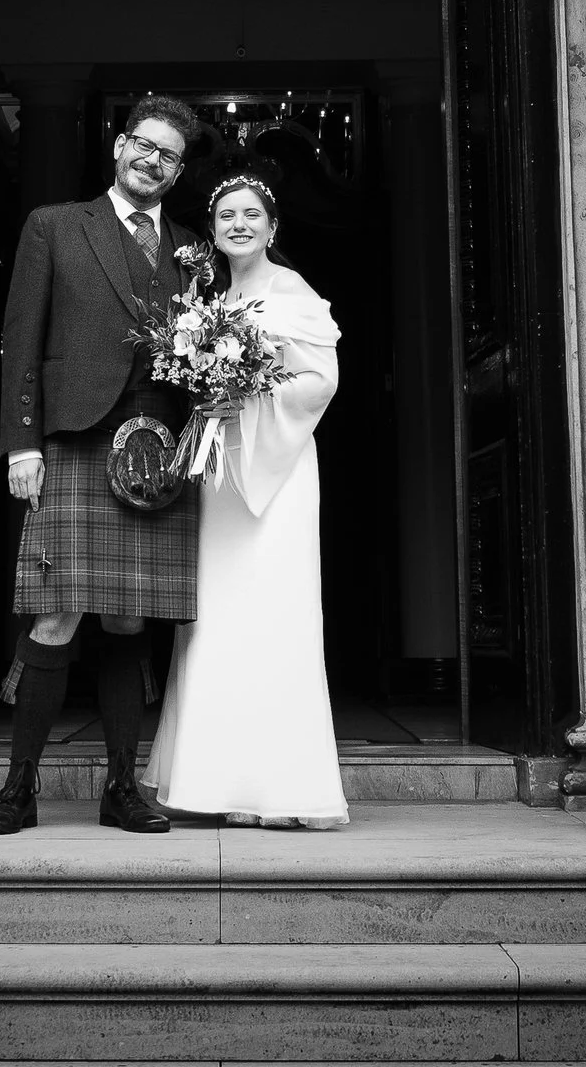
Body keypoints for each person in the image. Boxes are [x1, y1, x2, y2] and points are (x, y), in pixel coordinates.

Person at [0, 94, 207, 837]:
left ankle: (121, 787)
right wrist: (22, 443)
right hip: (74, 442)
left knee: (129, 617)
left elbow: (201, 357)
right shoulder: (55, 224)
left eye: (169, 154)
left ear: (177, 169)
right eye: (144, 145)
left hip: (156, 454)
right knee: (56, 614)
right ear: (118, 146)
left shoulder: (191, 249)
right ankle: (19, 788)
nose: (153, 161)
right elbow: (21, 337)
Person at [145, 172, 348, 829]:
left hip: (279, 472)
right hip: (221, 472)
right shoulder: (208, 301)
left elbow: (320, 380)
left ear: (271, 227)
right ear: (213, 231)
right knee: (216, 619)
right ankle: (218, 783)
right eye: (227, 214)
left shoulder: (292, 292)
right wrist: (208, 392)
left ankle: (281, 789)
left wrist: (251, 392)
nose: (239, 224)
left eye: (251, 214)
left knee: (276, 614)